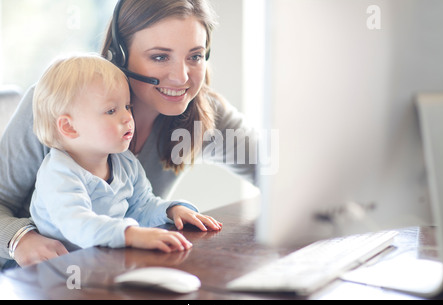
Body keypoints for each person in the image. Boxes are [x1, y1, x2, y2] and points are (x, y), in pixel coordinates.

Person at [0, 0, 256, 269]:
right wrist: (19, 239)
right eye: (160, 56)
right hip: (33, 281)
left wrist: (171, 210)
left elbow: (279, 172)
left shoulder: (202, 114)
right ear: (119, 56)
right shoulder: (57, 104)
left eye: (195, 56)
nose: (181, 78)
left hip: (107, 274)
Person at [28, 53, 221, 255]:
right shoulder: (58, 174)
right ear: (69, 126)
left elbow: (142, 206)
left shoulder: (124, 161)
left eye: (128, 106)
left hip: (101, 262)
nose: (128, 118)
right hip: (56, 273)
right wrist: (132, 234)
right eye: (111, 111)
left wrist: (172, 211)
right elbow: (78, 224)